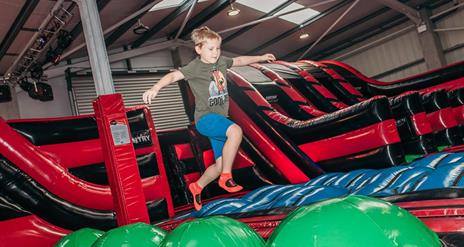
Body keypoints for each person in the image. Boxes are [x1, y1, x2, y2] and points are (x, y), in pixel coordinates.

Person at [142, 26, 275, 211]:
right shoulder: (195, 67)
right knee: (236, 131)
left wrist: (260, 57)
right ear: (198, 49)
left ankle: (197, 186)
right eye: (210, 49)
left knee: (219, 164)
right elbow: (173, 75)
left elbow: (240, 60)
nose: (215, 52)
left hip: (219, 120)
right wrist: (155, 88)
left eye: (218, 48)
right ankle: (226, 177)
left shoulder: (221, 62)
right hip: (206, 119)